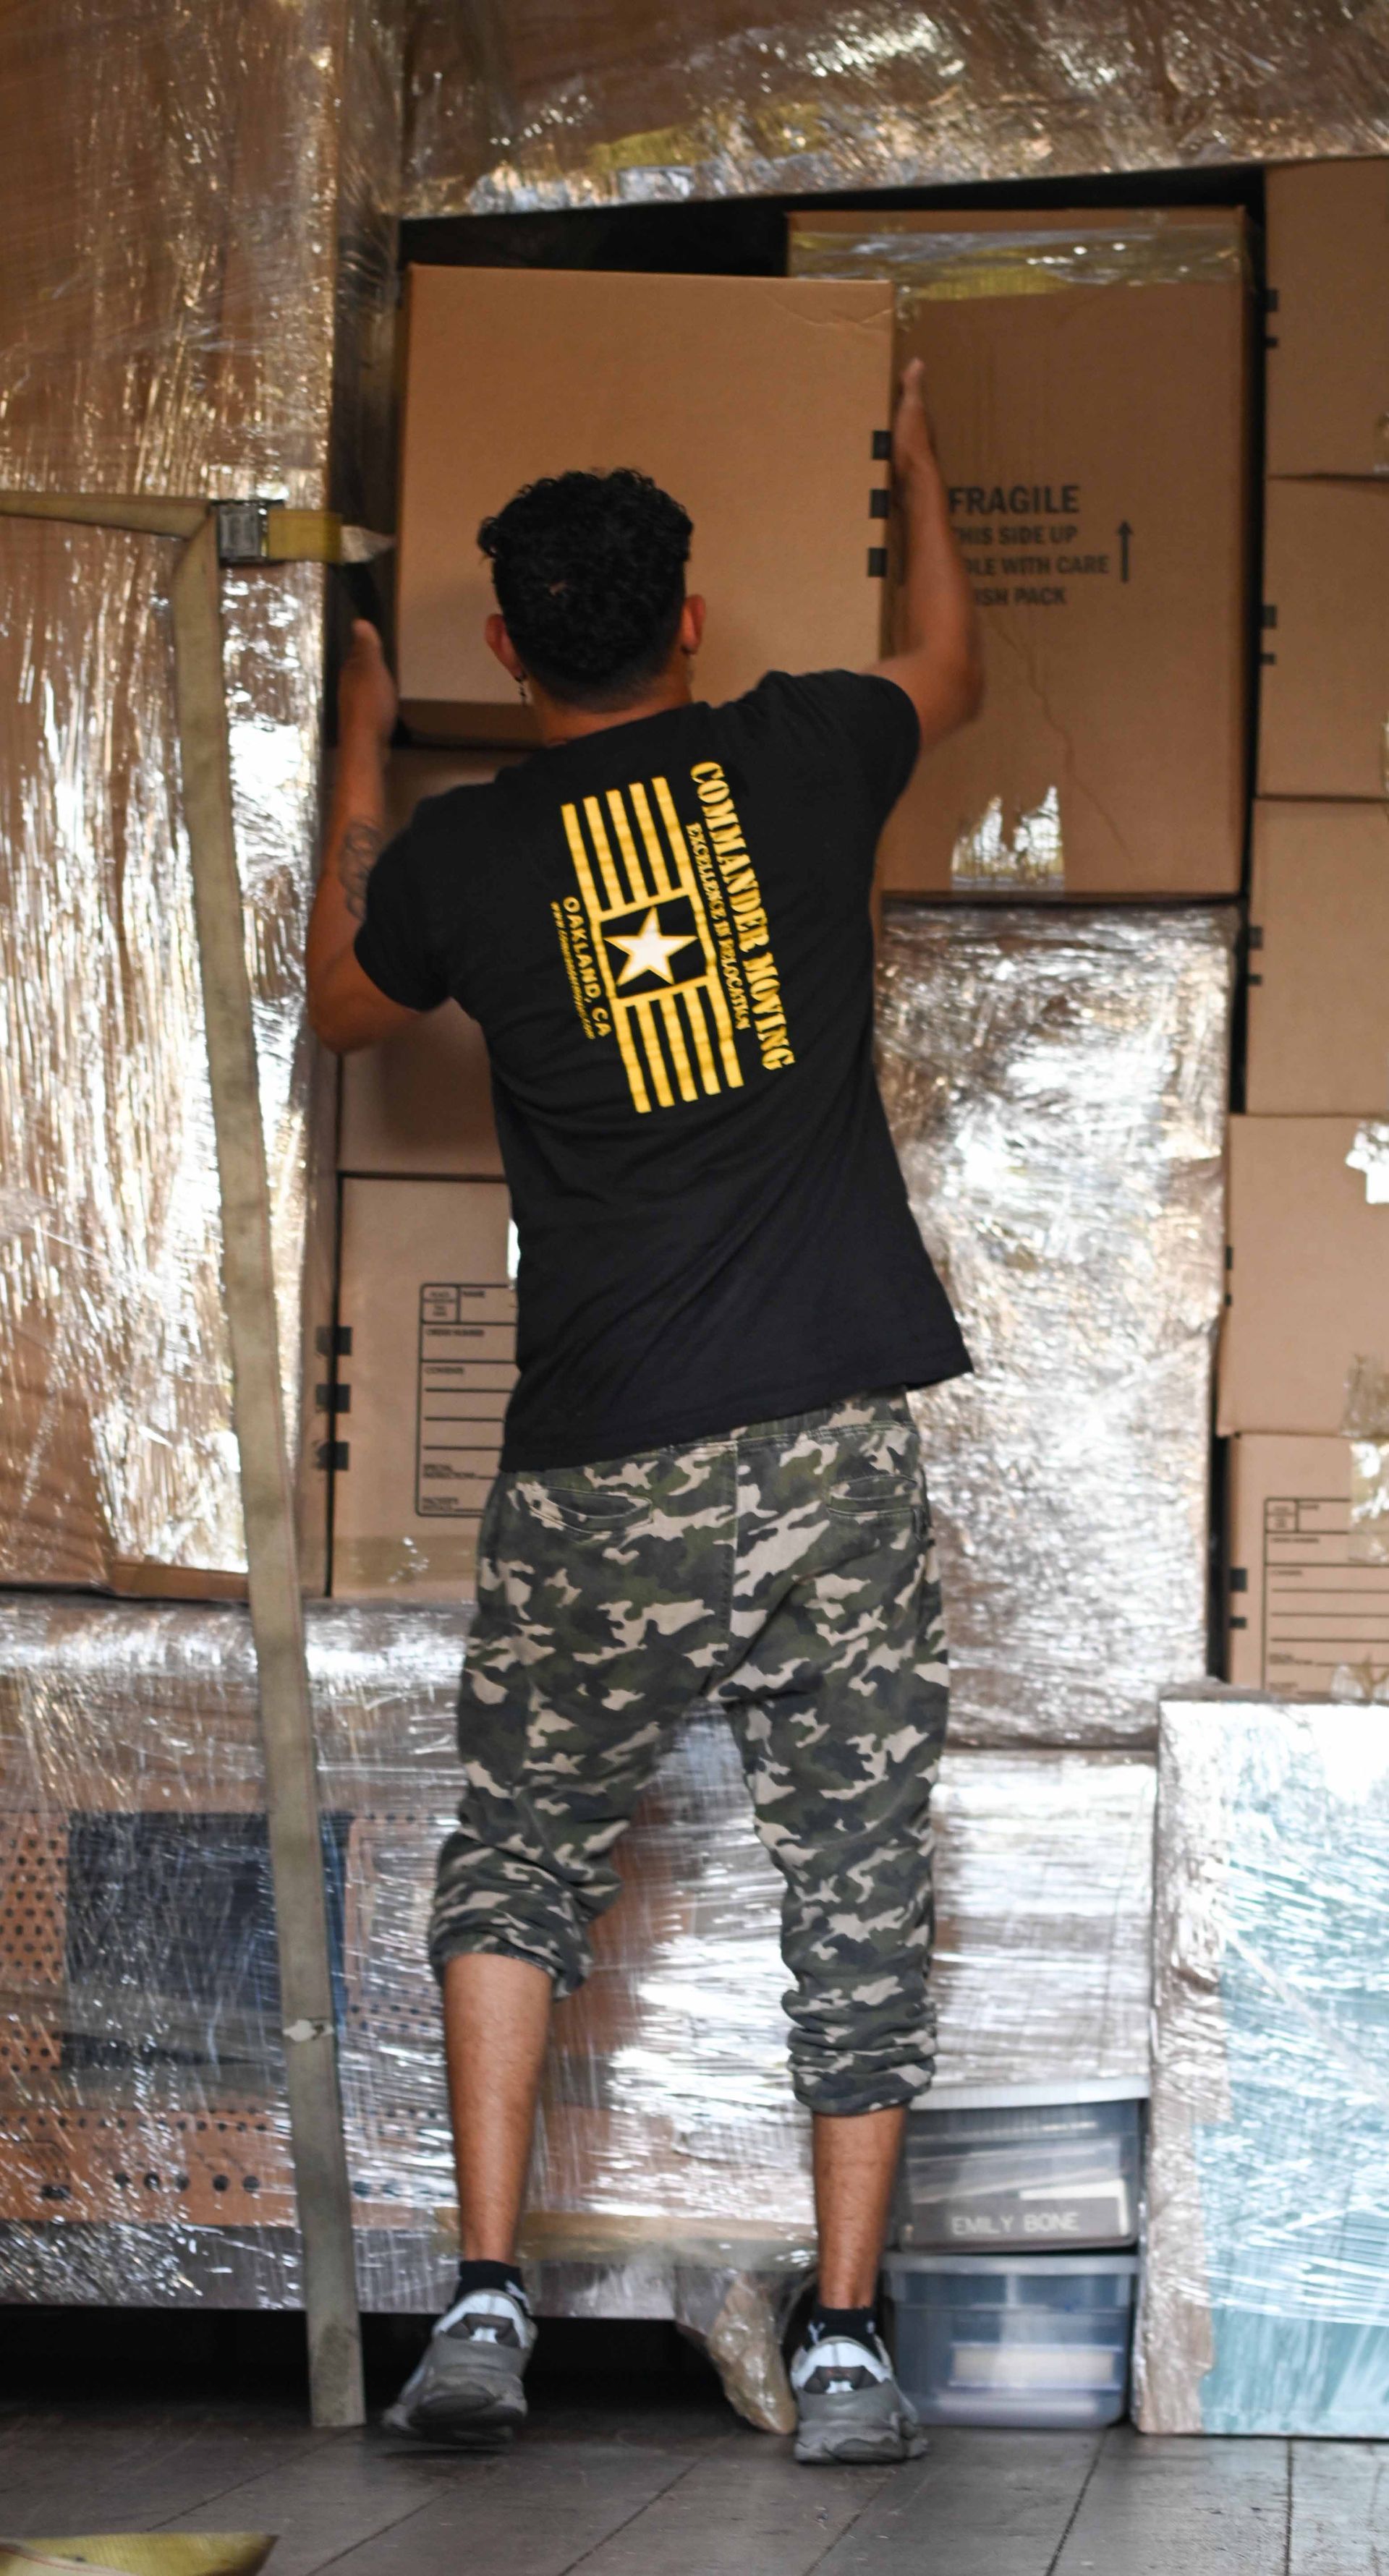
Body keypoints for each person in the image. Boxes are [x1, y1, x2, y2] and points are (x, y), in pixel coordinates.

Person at [307, 357, 982, 2465]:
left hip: (596, 1455)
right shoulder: (806, 748)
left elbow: (336, 999)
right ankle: (851, 2338)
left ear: (506, 649)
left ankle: (487, 2298)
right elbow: (953, 657)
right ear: (691, 621)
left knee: (517, 1854)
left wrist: (354, 749)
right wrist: (918, 453)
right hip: (824, 1431)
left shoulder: (467, 858)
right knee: (852, 1864)